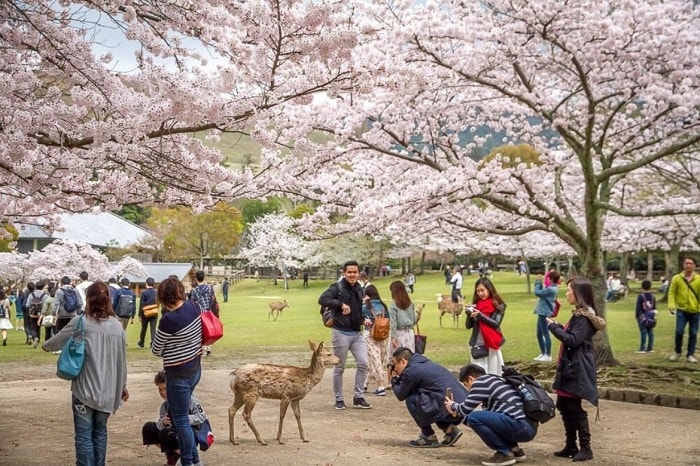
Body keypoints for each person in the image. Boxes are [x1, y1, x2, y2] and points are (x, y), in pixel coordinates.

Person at [42, 281, 129, 466]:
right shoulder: (117, 326)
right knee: (100, 432)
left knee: (83, 436)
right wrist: (122, 386)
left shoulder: (80, 322)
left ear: (88, 299)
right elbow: (122, 360)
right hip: (107, 391)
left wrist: (46, 346)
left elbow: (56, 342)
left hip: (84, 390)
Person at [546, 277, 606, 462]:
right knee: (564, 405)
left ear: (579, 293)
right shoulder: (580, 315)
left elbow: (573, 340)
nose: (566, 293)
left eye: (569, 290)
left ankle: (586, 448)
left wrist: (554, 327)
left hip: (576, 368)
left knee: (574, 407)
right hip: (570, 367)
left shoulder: (584, 317)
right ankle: (571, 444)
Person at [152, 277, 204, 466]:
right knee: (179, 416)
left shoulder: (168, 320)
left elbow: (156, 349)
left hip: (178, 374)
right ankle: (194, 460)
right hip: (195, 369)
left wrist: (170, 348)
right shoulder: (193, 307)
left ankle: (189, 461)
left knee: (181, 420)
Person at [445, 364, 535, 466]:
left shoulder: (481, 381)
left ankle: (504, 453)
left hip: (519, 426)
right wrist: (456, 414)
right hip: (527, 426)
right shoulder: (496, 381)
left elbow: (465, 409)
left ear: (470, 379)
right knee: (479, 419)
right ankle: (516, 451)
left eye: (466, 385)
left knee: (475, 417)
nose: (468, 389)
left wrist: (452, 405)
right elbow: (470, 419)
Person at [318, 260, 371, 410]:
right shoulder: (337, 287)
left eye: (355, 272)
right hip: (340, 331)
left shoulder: (360, 288)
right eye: (349, 272)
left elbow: (356, 310)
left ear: (359, 273)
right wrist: (340, 304)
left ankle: (358, 396)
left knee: (363, 364)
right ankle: (339, 399)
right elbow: (322, 299)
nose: (352, 275)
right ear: (344, 273)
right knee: (339, 367)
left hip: (357, 332)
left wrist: (363, 320)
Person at [390, 347, 467, 448]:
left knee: (412, 399)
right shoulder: (421, 361)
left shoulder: (411, 371)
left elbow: (401, 395)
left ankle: (428, 436)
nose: (394, 368)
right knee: (427, 399)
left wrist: (394, 379)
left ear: (403, 361)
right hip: (461, 402)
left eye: (395, 364)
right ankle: (450, 430)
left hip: (451, 406)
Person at [142, 370, 209, 466]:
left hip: (190, 431)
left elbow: (202, 416)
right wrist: (163, 422)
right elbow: (160, 425)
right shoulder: (165, 405)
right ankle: (175, 453)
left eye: (165, 388)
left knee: (166, 433)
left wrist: (184, 419)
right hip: (172, 433)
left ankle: (190, 456)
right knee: (149, 428)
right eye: (160, 389)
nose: (163, 392)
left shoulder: (189, 399)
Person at [466, 278, 507, 376]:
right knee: (479, 375)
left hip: (492, 343)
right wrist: (469, 314)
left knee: (495, 374)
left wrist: (480, 315)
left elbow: (496, 323)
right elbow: (468, 326)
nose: (480, 293)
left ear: (489, 289)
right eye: (478, 291)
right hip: (477, 344)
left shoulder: (499, 305)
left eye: (482, 290)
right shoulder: (476, 305)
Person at [667, 256, 700, 363]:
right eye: (686, 263)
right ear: (683, 265)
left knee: (693, 333)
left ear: (695, 266)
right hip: (681, 309)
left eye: (690, 263)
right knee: (679, 331)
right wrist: (671, 305)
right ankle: (677, 351)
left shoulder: (698, 279)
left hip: (695, 310)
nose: (688, 265)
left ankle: (690, 354)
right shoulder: (677, 278)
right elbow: (672, 292)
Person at [361, 284, 390, 396]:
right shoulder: (383, 306)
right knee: (380, 359)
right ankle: (365, 383)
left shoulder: (365, 307)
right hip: (383, 334)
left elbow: (360, 318)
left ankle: (380, 385)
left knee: (374, 359)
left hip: (370, 334)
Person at [189, 271, 218, 356]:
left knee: (202, 331)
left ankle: (203, 349)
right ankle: (208, 347)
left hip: (200, 312)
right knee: (209, 329)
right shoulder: (209, 288)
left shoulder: (194, 290)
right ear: (204, 277)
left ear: (196, 278)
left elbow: (193, 302)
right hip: (209, 311)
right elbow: (213, 299)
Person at [533, 271, 560, 362]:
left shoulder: (550, 289)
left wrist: (538, 282)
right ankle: (543, 353)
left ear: (551, 279)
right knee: (539, 334)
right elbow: (540, 292)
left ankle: (547, 354)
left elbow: (537, 292)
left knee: (545, 333)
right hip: (542, 312)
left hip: (544, 313)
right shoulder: (552, 287)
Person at [389, 280, 417, 353]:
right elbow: (414, 320)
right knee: (409, 356)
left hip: (399, 334)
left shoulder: (393, 305)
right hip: (410, 333)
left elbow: (393, 323)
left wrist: (392, 337)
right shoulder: (410, 304)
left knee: (398, 357)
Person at [25, 280, 50, 348]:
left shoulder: (31, 294)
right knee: (38, 327)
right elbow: (47, 305)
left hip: (32, 314)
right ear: (43, 287)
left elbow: (27, 305)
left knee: (33, 326)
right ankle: (37, 339)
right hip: (41, 314)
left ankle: (32, 336)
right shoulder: (45, 295)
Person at [635, 280, 657, 354]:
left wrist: (637, 316)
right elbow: (654, 307)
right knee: (650, 331)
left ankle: (642, 348)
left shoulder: (641, 296)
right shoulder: (653, 296)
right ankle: (650, 347)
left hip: (642, 316)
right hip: (650, 315)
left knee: (643, 331)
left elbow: (638, 307)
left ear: (642, 287)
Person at [138, 277, 158, 349]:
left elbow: (141, 304)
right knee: (153, 329)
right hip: (154, 312)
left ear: (146, 283)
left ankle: (141, 342)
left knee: (144, 328)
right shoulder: (156, 292)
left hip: (145, 313)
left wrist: (140, 315)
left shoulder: (144, 292)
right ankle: (153, 343)